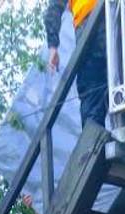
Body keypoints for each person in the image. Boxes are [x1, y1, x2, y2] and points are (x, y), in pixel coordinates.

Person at [45, 0, 107, 128]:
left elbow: (54, 8)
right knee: (92, 95)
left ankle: (92, 142)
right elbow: (55, 7)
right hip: (93, 22)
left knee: (92, 97)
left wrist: (53, 46)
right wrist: (52, 46)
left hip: (96, 21)